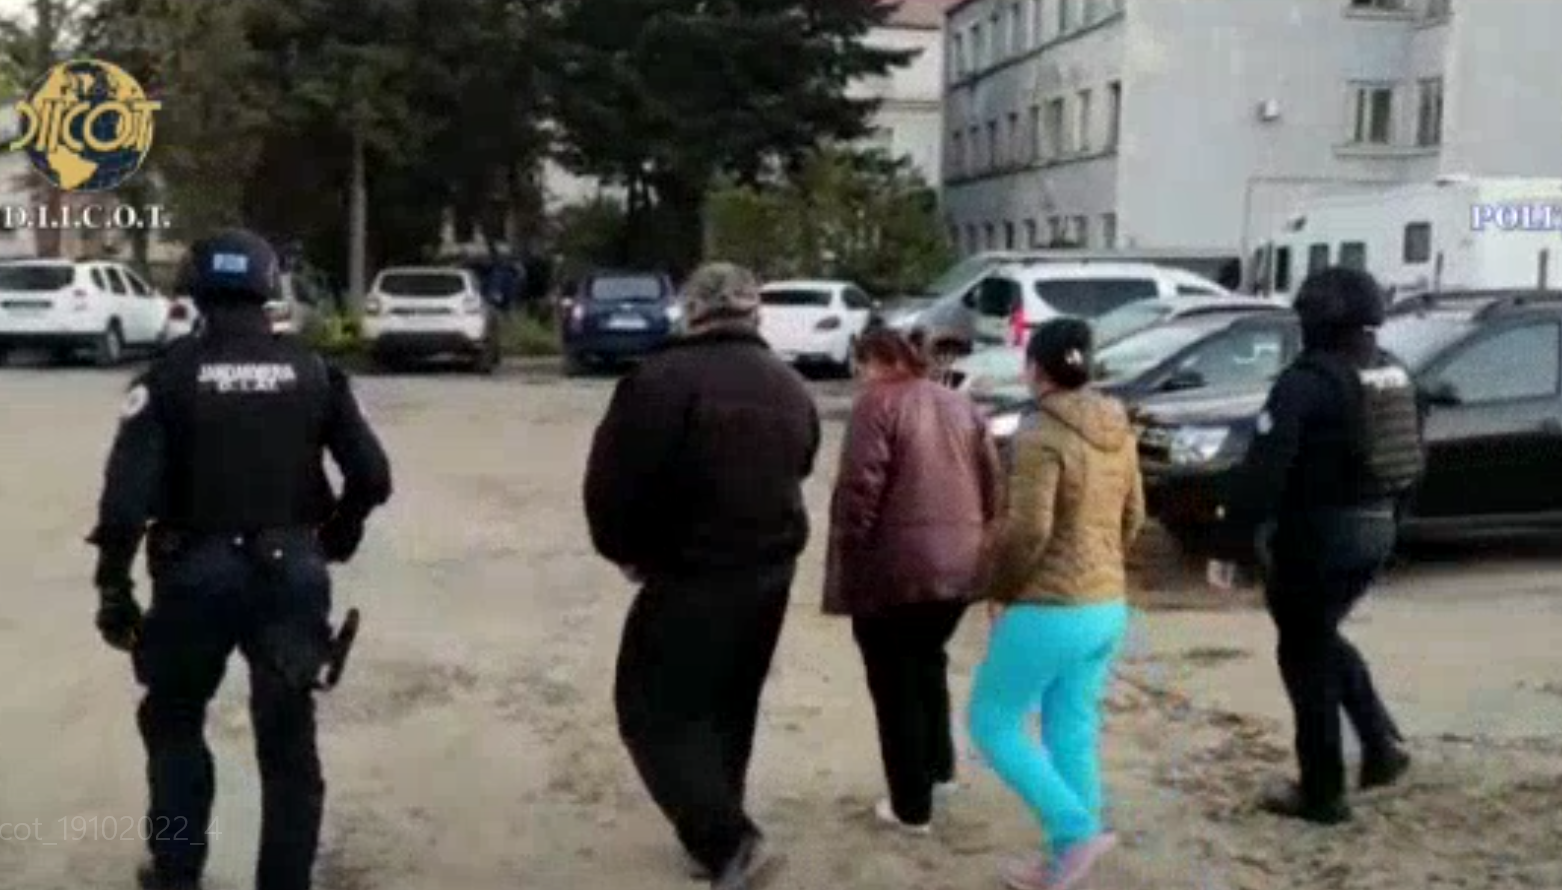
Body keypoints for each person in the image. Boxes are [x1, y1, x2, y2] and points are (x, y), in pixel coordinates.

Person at [89, 230, 393, 890]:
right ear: (266, 288)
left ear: (194, 291)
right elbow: (372, 474)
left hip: (193, 577)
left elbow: (124, 504)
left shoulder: (166, 378)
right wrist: (339, 533)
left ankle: (176, 870)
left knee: (173, 726)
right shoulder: (315, 372)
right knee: (287, 743)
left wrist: (113, 587)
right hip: (291, 575)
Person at [583, 262, 820, 890]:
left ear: (691, 311)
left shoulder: (660, 380)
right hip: (770, 571)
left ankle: (730, 842)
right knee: (728, 705)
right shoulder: (788, 384)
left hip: (690, 571)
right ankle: (712, 840)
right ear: (753, 312)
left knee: (651, 711)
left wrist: (625, 551)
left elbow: (614, 483)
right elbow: (802, 462)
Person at [1225, 266, 1421, 824]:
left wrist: (1233, 544)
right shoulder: (1391, 372)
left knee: (1303, 656)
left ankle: (1323, 792)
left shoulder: (1307, 382)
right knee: (1319, 635)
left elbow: (1265, 471)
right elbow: (1412, 455)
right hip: (1376, 527)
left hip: (1319, 536)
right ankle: (1380, 748)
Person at [968, 318, 1144, 890]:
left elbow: (1028, 530)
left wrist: (1000, 589)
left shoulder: (1039, 433)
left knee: (992, 721)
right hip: (1106, 603)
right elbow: (1134, 516)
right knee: (1070, 725)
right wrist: (1102, 565)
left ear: (1035, 370)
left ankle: (1074, 830)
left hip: (1050, 606)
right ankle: (1069, 856)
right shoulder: (1118, 426)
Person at [823, 328, 1002, 835]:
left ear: (872, 360)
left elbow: (860, 486)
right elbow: (993, 483)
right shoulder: (959, 404)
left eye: (860, 365)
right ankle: (939, 771)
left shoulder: (876, 404)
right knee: (927, 663)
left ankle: (910, 804)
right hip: (960, 564)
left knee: (894, 681)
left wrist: (850, 552)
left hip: (896, 568)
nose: (859, 377)